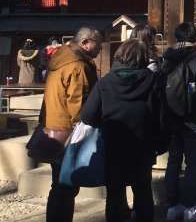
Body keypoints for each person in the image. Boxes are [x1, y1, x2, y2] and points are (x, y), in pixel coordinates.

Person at [81, 39, 160, 222]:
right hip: (143, 145)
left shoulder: (105, 82)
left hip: (113, 144)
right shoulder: (152, 80)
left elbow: (88, 116)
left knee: (115, 192)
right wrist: (160, 141)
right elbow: (160, 114)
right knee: (143, 191)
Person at [43, 27, 102, 222]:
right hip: (69, 133)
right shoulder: (77, 67)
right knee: (67, 186)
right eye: (97, 44)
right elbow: (78, 105)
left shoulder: (60, 59)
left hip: (52, 128)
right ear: (85, 43)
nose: (100, 48)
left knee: (58, 185)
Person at [162, 23, 196, 222]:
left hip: (172, 118)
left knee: (173, 162)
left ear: (177, 37)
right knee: (193, 164)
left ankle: (172, 205)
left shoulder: (167, 60)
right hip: (194, 119)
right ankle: (190, 207)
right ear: (195, 38)